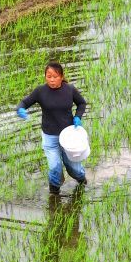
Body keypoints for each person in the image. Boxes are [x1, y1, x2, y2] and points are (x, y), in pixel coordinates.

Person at [16, 61, 88, 195]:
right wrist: (20, 109)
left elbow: (82, 103)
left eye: (55, 76)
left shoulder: (70, 90)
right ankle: (54, 195)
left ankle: (83, 182)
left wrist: (78, 116)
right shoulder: (40, 91)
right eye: (49, 76)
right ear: (45, 77)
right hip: (50, 136)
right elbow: (25, 102)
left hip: (68, 136)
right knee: (55, 167)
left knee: (74, 169)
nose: (52, 80)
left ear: (61, 76)